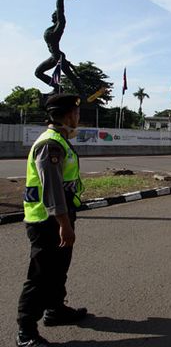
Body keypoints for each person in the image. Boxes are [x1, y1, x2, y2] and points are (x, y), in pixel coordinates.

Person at [17, 94, 87, 347]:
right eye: (77, 114)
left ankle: (56, 310)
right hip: (48, 221)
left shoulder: (59, 140)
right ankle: (26, 332)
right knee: (40, 276)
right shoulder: (50, 144)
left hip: (59, 218)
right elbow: (52, 189)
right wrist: (64, 224)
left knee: (59, 268)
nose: (79, 118)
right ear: (69, 115)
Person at [34, 0, 82, 93]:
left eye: (54, 14)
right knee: (38, 73)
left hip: (57, 57)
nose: (52, 15)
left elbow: (60, 9)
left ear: (58, 16)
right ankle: (58, 88)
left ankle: (82, 94)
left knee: (71, 76)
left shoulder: (58, 27)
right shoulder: (52, 28)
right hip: (54, 56)